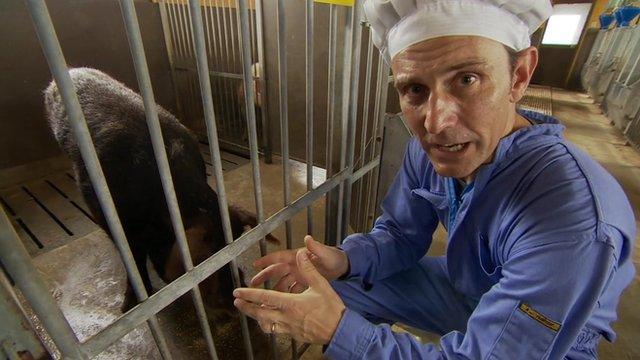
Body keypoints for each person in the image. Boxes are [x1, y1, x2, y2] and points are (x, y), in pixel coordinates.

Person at [233, 0, 636, 358]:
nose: (437, 122)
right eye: (414, 89)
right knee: (327, 291)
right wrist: (345, 260)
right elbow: (402, 235)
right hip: (466, 286)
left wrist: (340, 332)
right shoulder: (436, 147)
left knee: (338, 325)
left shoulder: (574, 219)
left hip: (549, 341)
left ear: (519, 76)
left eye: (467, 79)